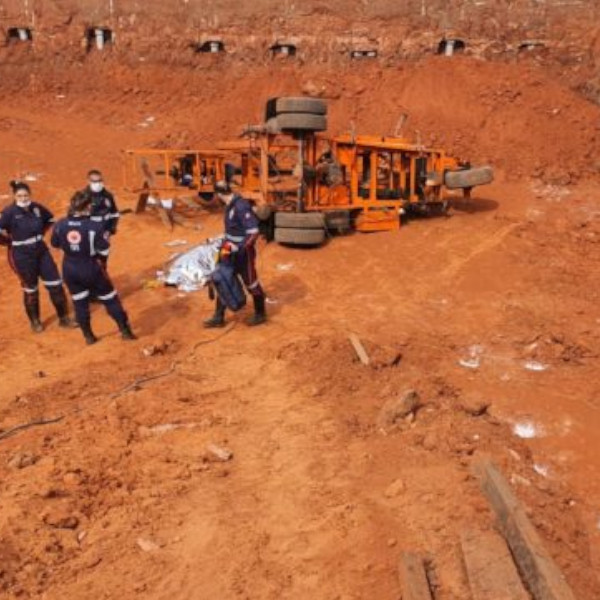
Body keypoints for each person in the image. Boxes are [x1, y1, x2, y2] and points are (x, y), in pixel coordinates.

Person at [51, 191, 135, 345]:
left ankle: (88, 337)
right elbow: (103, 249)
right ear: (88, 207)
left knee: (79, 302)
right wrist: (101, 264)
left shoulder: (60, 224)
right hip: (90, 266)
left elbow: (55, 244)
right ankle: (125, 331)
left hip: (69, 267)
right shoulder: (95, 226)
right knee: (110, 299)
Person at [0, 181, 75, 332]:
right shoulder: (8, 212)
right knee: (31, 289)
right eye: (20, 195)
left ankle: (64, 319)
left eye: (26, 195)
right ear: (14, 197)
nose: (23, 198)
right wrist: (8, 242)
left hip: (41, 251)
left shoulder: (37, 208)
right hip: (22, 255)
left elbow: (49, 220)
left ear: (30, 195)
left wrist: (41, 233)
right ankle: (35, 322)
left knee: (56, 284)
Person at [204, 180, 266, 328]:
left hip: (243, 252)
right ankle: (218, 317)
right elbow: (233, 230)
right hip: (227, 248)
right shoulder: (230, 205)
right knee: (223, 278)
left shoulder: (241, 206)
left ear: (218, 194)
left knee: (251, 282)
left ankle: (260, 313)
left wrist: (239, 248)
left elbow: (253, 232)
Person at [83, 169, 120, 268]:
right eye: (95, 181)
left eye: (100, 181)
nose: (98, 184)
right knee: (88, 257)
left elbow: (114, 214)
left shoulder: (108, 196)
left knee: (103, 257)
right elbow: (78, 217)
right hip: (88, 231)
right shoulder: (83, 196)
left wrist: (111, 228)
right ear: (89, 181)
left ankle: (101, 278)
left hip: (104, 230)